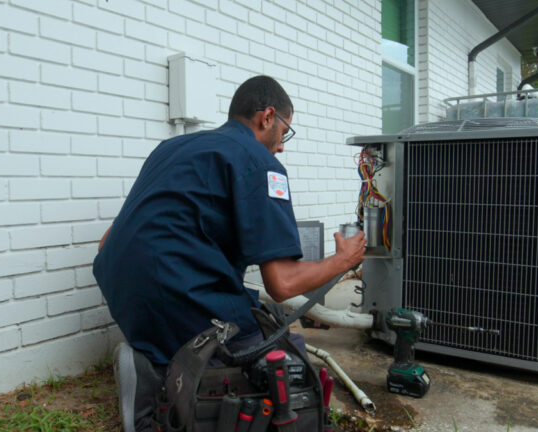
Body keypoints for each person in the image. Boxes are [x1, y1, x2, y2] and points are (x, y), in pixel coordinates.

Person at [93, 75, 365, 432]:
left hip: (121, 292)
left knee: (236, 317)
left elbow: (107, 240)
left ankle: (154, 359)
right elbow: (282, 284)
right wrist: (343, 260)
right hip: (173, 293)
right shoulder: (259, 162)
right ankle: (150, 392)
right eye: (286, 131)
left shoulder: (171, 148)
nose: (282, 146)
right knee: (276, 350)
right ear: (267, 117)